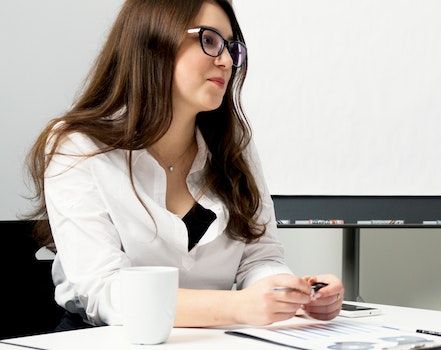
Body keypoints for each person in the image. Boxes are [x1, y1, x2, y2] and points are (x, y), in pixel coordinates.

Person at [26, 0, 343, 330]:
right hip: (105, 338)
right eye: (209, 40)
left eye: (231, 47)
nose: (225, 61)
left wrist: (291, 295)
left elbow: (259, 258)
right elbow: (103, 290)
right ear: (153, 41)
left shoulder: (234, 147)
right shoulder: (78, 146)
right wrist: (238, 307)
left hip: (213, 338)